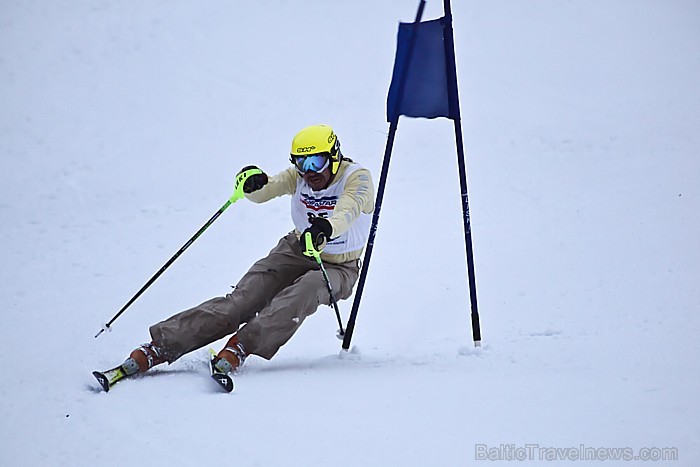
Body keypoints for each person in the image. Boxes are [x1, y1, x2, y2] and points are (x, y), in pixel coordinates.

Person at [100, 124, 375, 385]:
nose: (309, 171)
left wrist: (325, 228)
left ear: (334, 157)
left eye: (317, 162)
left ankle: (241, 345)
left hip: (340, 266)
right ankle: (160, 346)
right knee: (240, 302)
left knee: (305, 290)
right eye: (301, 163)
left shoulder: (357, 178)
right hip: (296, 249)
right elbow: (269, 188)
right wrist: (252, 185)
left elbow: (347, 211)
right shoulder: (299, 176)